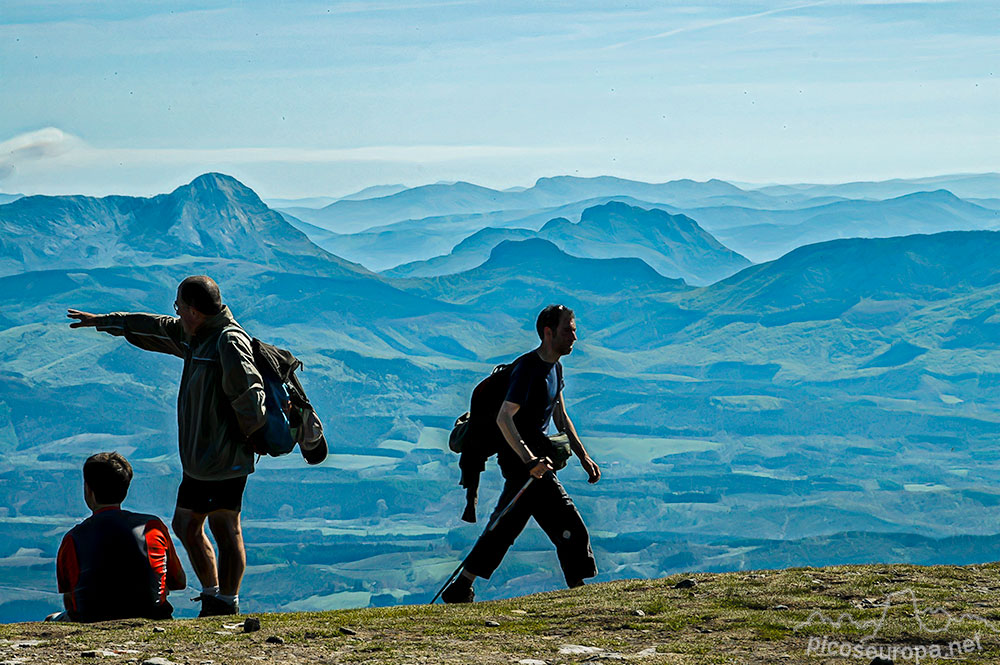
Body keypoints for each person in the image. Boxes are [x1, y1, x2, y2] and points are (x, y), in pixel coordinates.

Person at [67, 276, 266, 616]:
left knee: (219, 525)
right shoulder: (195, 336)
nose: (175, 314)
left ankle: (224, 600)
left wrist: (242, 440)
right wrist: (105, 322)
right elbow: (154, 327)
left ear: (192, 310)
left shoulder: (227, 342)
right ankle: (216, 597)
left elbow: (252, 397)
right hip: (202, 459)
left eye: (178, 307)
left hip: (221, 458)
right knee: (194, 524)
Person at [443, 304, 601, 603]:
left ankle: (461, 586)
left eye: (574, 330)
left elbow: (560, 414)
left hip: (535, 462)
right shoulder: (528, 369)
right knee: (570, 525)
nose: (574, 337)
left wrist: (583, 456)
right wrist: (529, 460)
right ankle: (580, 593)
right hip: (523, 463)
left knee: (506, 526)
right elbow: (505, 416)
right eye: (568, 330)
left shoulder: (555, 367)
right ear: (548, 332)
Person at [53, 452, 186, 622]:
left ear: (89, 490)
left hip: (90, 619)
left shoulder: (73, 538)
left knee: (53, 619)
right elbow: (179, 582)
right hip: (154, 616)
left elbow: (70, 597)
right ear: (125, 488)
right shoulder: (153, 527)